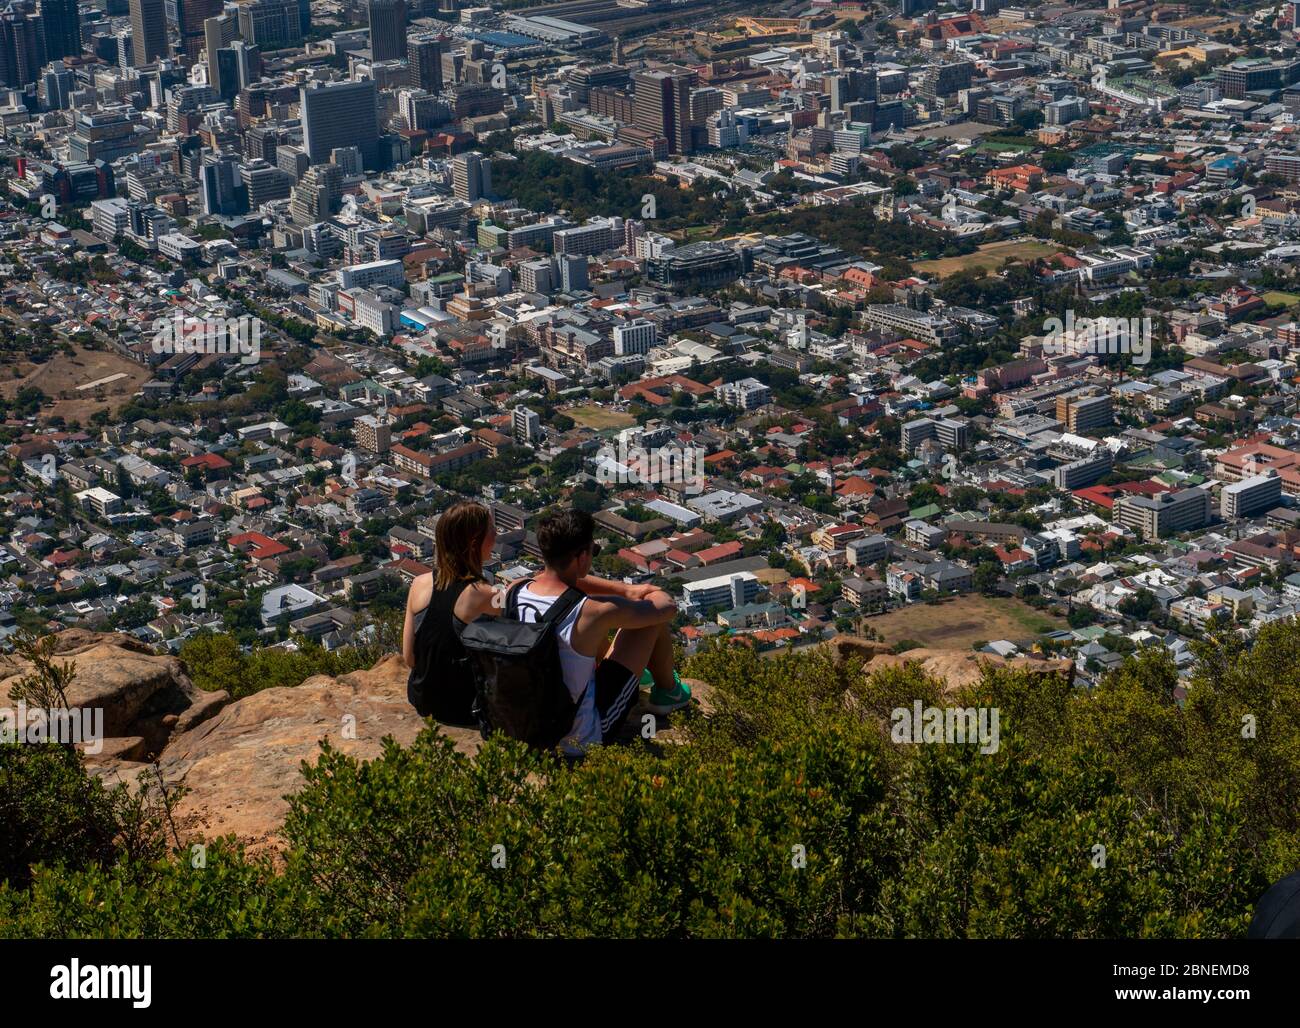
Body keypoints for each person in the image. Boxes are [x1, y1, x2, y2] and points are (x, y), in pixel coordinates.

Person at [509, 508, 690, 756]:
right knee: (649, 620)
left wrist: (624, 591)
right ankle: (668, 694)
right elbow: (666, 609)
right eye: (592, 552)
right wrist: (647, 591)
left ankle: (656, 685)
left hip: (524, 728)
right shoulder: (592, 612)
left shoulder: (514, 591)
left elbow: (557, 579)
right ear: (582, 557)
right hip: (582, 736)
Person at [402, 500, 498, 725]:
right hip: (465, 709)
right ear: (475, 542)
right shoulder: (487, 595)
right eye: (492, 529)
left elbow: (409, 658)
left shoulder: (419, 584)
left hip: (423, 699)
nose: (496, 534)